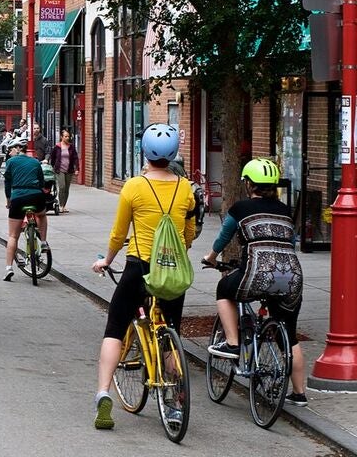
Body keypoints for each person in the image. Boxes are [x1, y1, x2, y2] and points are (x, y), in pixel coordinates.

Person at [89, 123, 195, 430]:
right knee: (171, 333)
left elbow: (118, 233)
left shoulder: (134, 186)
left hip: (138, 266)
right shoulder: (185, 188)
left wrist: (105, 261)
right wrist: (180, 247)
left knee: (115, 327)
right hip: (171, 270)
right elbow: (188, 233)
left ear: (143, 153)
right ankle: (175, 403)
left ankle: (103, 392)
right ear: (174, 154)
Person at [203, 158, 307, 406]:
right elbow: (288, 244)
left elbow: (223, 238)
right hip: (291, 276)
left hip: (256, 272)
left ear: (249, 184)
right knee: (290, 337)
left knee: (224, 290)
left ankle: (232, 343)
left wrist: (211, 258)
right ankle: (300, 393)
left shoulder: (240, 209)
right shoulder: (285, 211)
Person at [2, 137, 49, 281]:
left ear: (17, 148)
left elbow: (7, 183)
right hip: (36, 196)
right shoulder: (35, 162)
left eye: (10, 150)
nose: (9, 153)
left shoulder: (10, 162)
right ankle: (43, 242)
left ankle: (9, 268)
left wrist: (9, 200)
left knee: (13, 236)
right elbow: (42, 182)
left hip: (18, 197)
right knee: (41, 215)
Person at [48, 129, 79, 213]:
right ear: (62, 137)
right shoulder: (57, 147)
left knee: (66, 189)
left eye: (68, 136)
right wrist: (52, 166)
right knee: (62, 186)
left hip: (69, 170)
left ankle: (64, 205)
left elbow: (75, 158)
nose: (67, 138)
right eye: (65, 136)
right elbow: (52, 157)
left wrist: (77, 169)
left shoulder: (71, 147)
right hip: (59, 170)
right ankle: (61, 205)